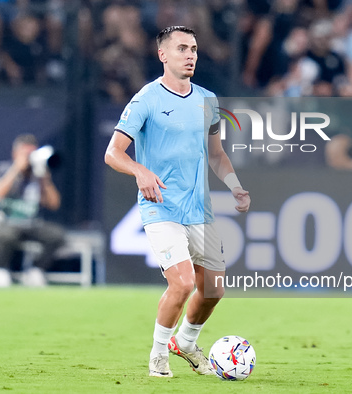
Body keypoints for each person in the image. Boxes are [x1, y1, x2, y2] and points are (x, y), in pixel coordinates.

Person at [104, 26, 251, 378]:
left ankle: (185, 342)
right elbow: (113, 153)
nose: (191, 55)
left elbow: (216, 155)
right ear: (163, 55)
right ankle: (158, 355)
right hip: (161, 208)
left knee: (214, 289)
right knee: (183, 283)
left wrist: (235, 186)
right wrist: (140, 171)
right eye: (183, 48)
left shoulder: (208, 100)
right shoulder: (146, 99)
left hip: (199, 209)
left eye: (195, 49)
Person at [0, 133, 65, 288]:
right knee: (6, 235)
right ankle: (0, 270)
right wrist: (17, 169)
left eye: (32, 153)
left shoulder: (38, 173)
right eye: (26, 153)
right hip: (7, 220)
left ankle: (36, 270)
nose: (29, 158)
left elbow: (54, 204)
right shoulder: (4, 168)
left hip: (31, 223)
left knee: (56, 235)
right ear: (15, 153)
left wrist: (45, 180)